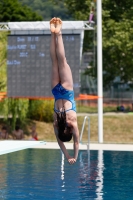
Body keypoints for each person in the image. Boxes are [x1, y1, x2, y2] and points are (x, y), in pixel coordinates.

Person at [50, 17, 79, 165]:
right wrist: (67, 155)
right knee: (55, 61)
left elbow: (77, 143)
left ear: (70, 133)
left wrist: (73, 156)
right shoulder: (57, 124)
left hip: (67, 91)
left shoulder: (72, 124)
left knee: (62, 61)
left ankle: (59, 33)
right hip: (56, 91)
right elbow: (59, 142)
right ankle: (52, 34)